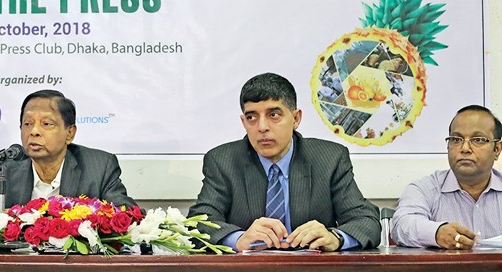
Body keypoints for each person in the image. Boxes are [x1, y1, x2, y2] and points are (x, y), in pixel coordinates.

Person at [188, 72, 379, 251]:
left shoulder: (329, 158)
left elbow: (366, 221)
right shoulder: (223, 161)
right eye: (251, 117)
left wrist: (335, 237)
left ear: (296, 118)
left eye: (273, 115)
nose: (262, 127)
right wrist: (238, 239)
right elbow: (198, 223)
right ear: (243, 122)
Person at [0, 89, 136, 218]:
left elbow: (127, 215)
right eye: (27, 123)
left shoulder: (99, 167)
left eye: (46, 123)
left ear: (69, 133)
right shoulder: (1, 170)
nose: (34, 131)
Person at [391, 105, 502, 249]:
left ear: (497, 149)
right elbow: (402, 225)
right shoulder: (425, 189)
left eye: (478, 139)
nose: (465, 148)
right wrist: (436, 233)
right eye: (456, 139)